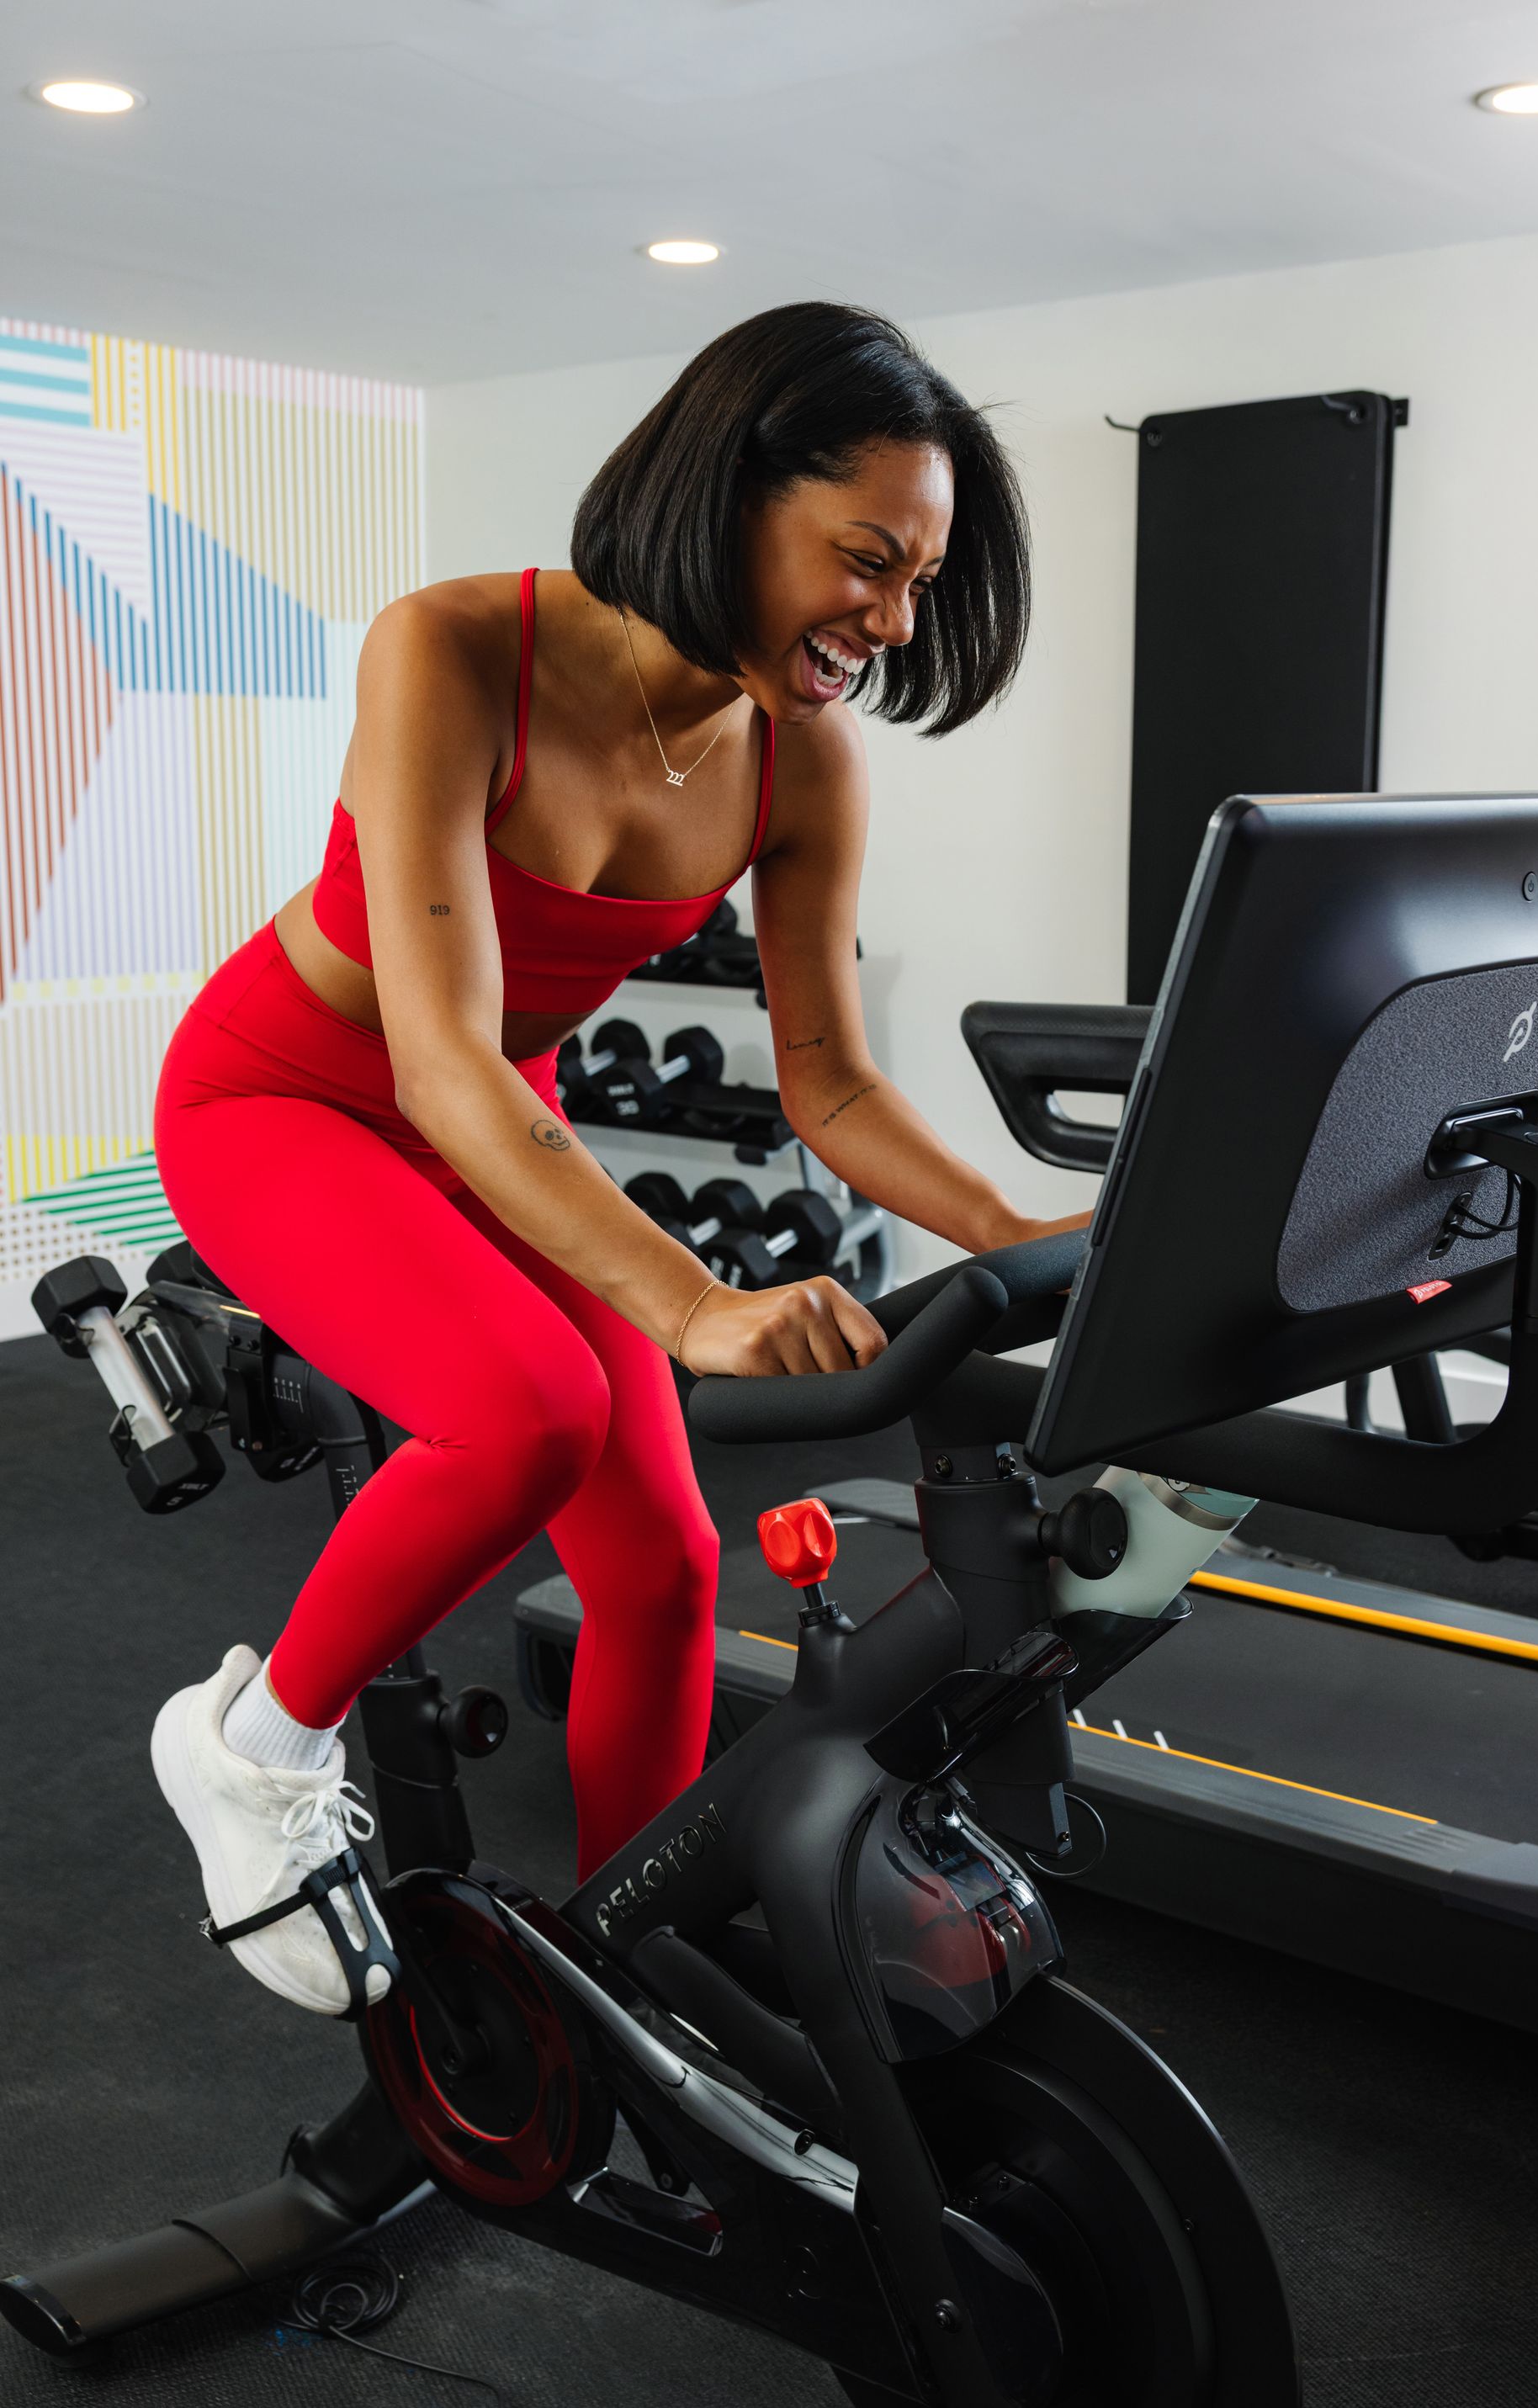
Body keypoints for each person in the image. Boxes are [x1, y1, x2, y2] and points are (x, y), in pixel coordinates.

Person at [148, 300, 1082, 2016]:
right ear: (730, 494)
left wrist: (1022, 1232)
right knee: (532, 1410)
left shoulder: (800, 759)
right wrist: (695, 1302)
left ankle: (629, 1958)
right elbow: (435, 1048)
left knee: (661, 1566)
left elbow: (830, 1085)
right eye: (863, 558)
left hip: (493, 1117)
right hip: (289, 1095)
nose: (887, 618)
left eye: (920, 582)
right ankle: (253, 1741)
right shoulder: (451, 649)